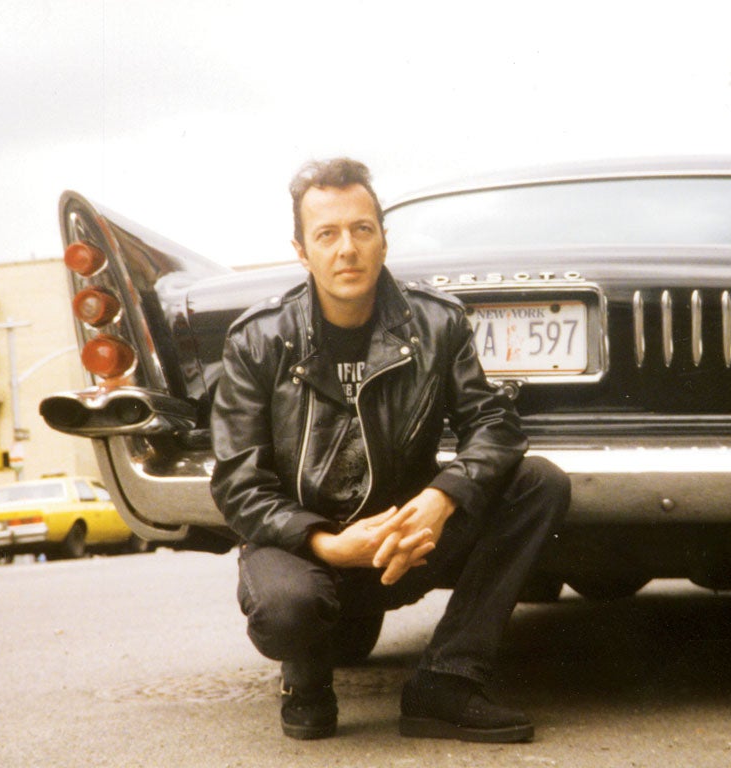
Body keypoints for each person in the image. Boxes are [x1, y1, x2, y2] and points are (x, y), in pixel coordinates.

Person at [210, 157, 570, 743]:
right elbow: (237, 484)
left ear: (383, 240)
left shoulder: (437, 323)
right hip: (307, 549)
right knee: (288, 610)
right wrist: (327, 542)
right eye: (326, 234)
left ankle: (447, 681)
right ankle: (306, 676)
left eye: (361, 230)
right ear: (302, 251)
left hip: (408, 538)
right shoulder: (258, 339)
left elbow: (494, 424)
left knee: (540, 483)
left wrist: (441, 498)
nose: (346, 249)